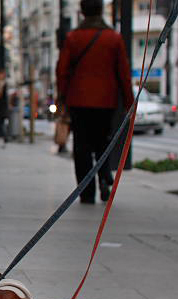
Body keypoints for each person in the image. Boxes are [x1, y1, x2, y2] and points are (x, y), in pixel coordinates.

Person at [56, 0, 134, 204]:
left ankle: (86, 192)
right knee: (103, 141)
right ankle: (104, 176)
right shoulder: (113, 38)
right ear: (101, 10)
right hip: (106, 101)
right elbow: (123, 74)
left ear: (81, 12)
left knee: (81, 147)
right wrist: (129, 102)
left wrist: (62, 97)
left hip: (78, 99)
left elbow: (62, 71)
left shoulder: (73, 38)